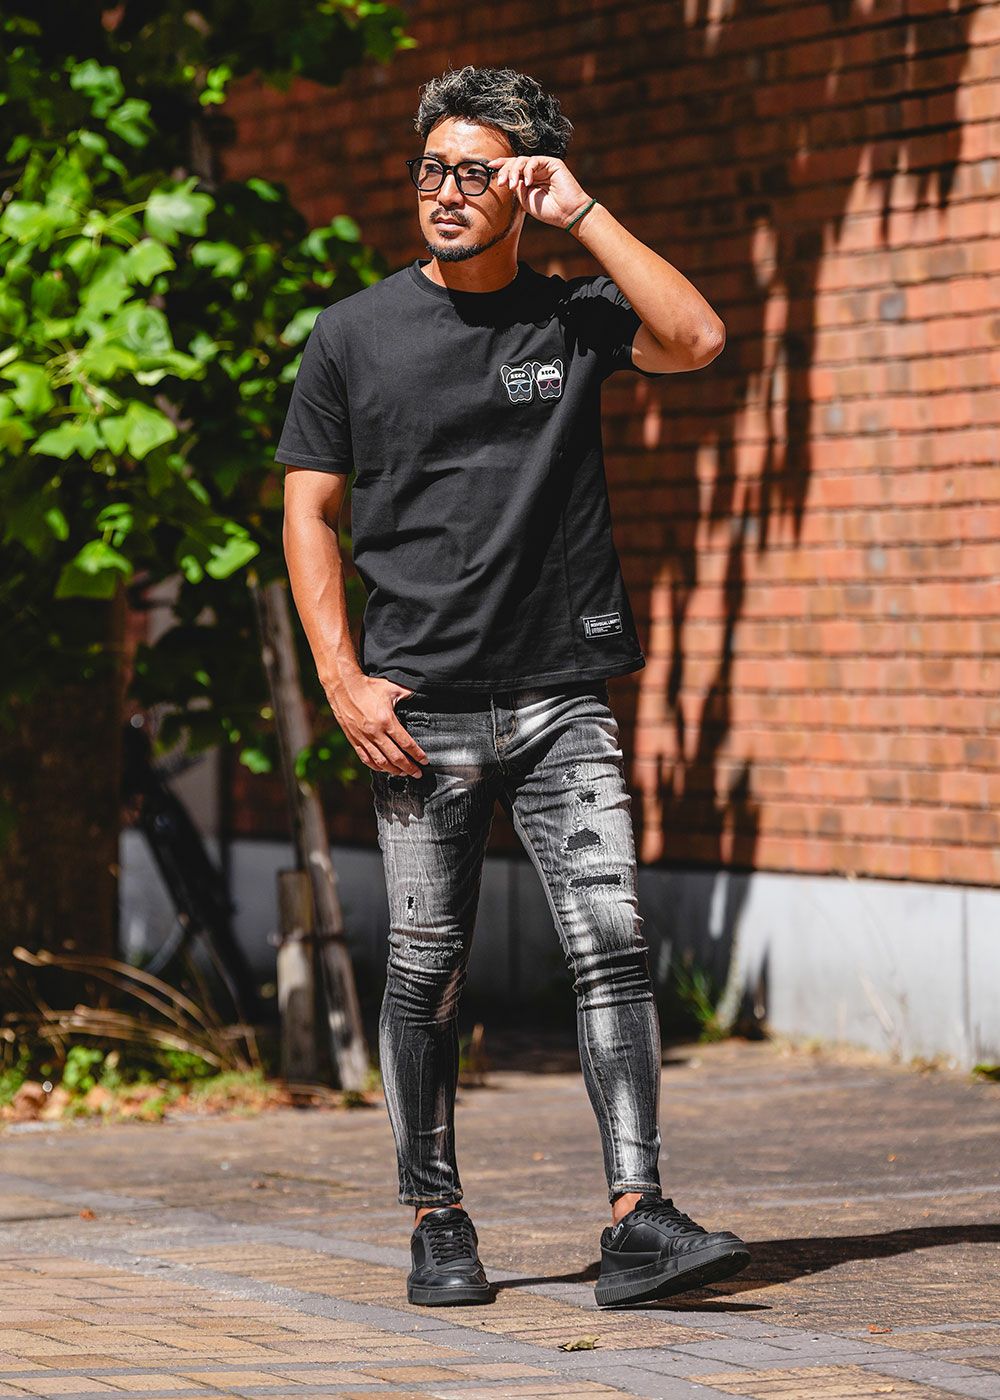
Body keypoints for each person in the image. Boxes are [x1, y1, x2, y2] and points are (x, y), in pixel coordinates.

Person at [278, 63, 750, 1309]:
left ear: (523, 183)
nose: (443, 190)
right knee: (423, 969)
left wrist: (581, 211)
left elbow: (698, 338)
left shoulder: (574, 317)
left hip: (559, 693)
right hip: (414, 710)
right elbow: (309, 512)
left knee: (612, 944)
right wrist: (340, 678)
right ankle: (436, 1218)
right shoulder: (351, 334)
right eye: (429, 169)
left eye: (474, 172)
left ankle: (638, 1219)